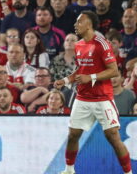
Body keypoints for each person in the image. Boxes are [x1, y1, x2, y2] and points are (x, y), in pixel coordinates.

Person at [54, 10, 132, 174]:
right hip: (82, 98)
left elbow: (113, 71)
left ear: (89, 24)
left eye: (79, 22)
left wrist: (91, 77)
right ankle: (69, 170)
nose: (76, 25)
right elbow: (79, 70)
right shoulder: (78, 45)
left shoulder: (102, 44)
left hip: (102, 98)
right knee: (73, 135)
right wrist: (66, 80)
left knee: (113, 136)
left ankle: (128, 173)